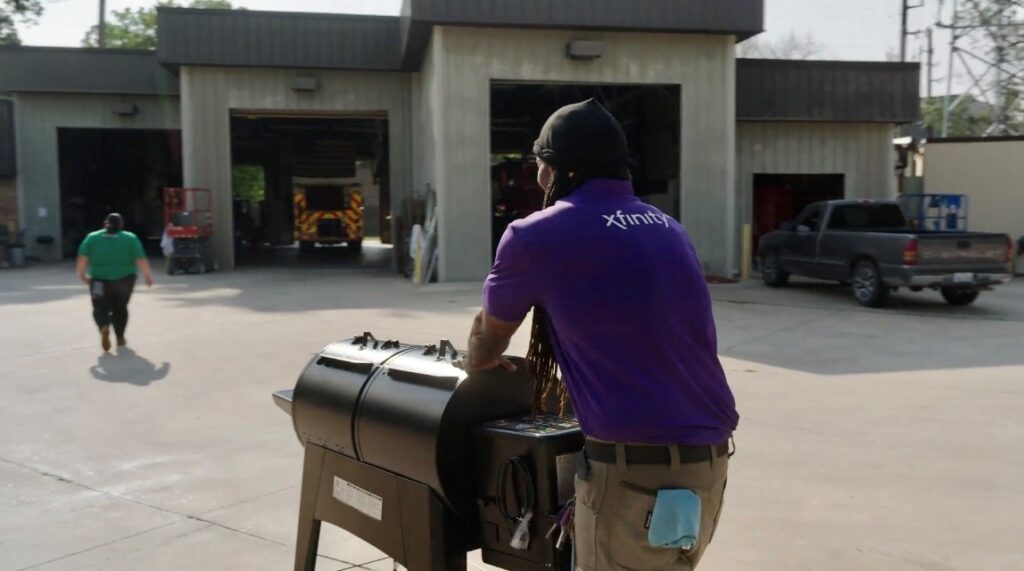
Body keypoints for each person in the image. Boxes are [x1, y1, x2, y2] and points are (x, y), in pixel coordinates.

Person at [463, 100, 739, 570]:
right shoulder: (669, 229)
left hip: (634, 475)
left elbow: (488, 339)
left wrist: (479, 362)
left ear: (557, 171)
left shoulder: (534, 236)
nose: (538, 179)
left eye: (540, 168)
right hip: (706, 466)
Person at [76, 213, 155, 352]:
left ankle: (104, 326)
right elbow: (140, 259)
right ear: (121, 224)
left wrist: (82, 273)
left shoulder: (92, 237)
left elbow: (83, 258)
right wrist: (148, 275)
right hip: (125, 280)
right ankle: (120, 337)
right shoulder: (130, 238)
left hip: (99, 280)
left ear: (105, 222)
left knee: (99, 307)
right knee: (120, 308)